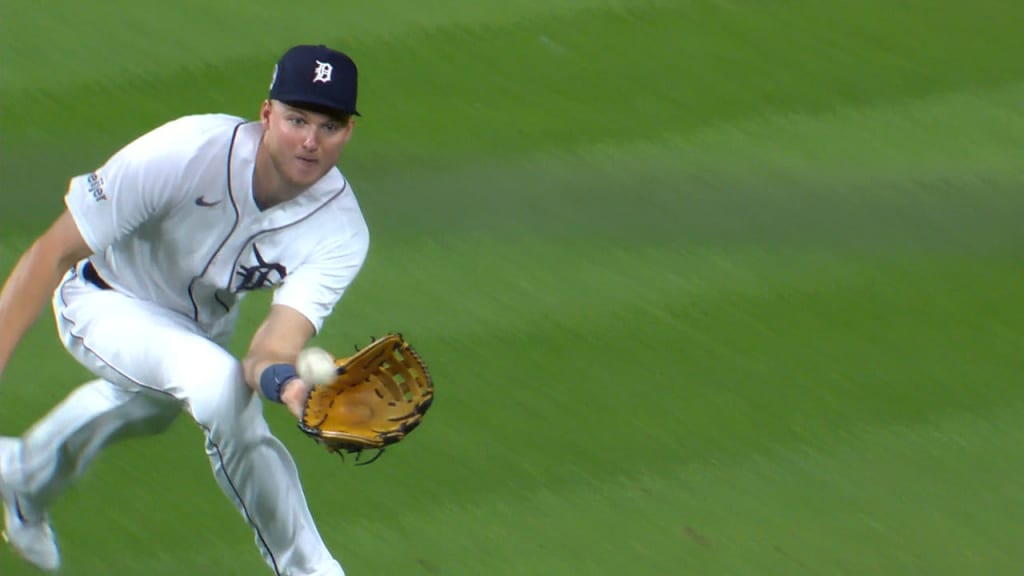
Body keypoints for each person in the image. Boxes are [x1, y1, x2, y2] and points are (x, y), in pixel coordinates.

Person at [0, 44, 369, 575]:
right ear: (267, 114)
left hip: (197, 334)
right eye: (296, 119)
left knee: (146, 407)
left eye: (329, 126)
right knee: (219, 389)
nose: (310, 141)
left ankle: (21, 475)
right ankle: (310, 569)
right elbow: (50, 253)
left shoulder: (341, 231)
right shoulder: (186, 150)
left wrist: (287, 384)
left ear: (348, 131)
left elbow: (271, 349)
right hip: (103, 302)